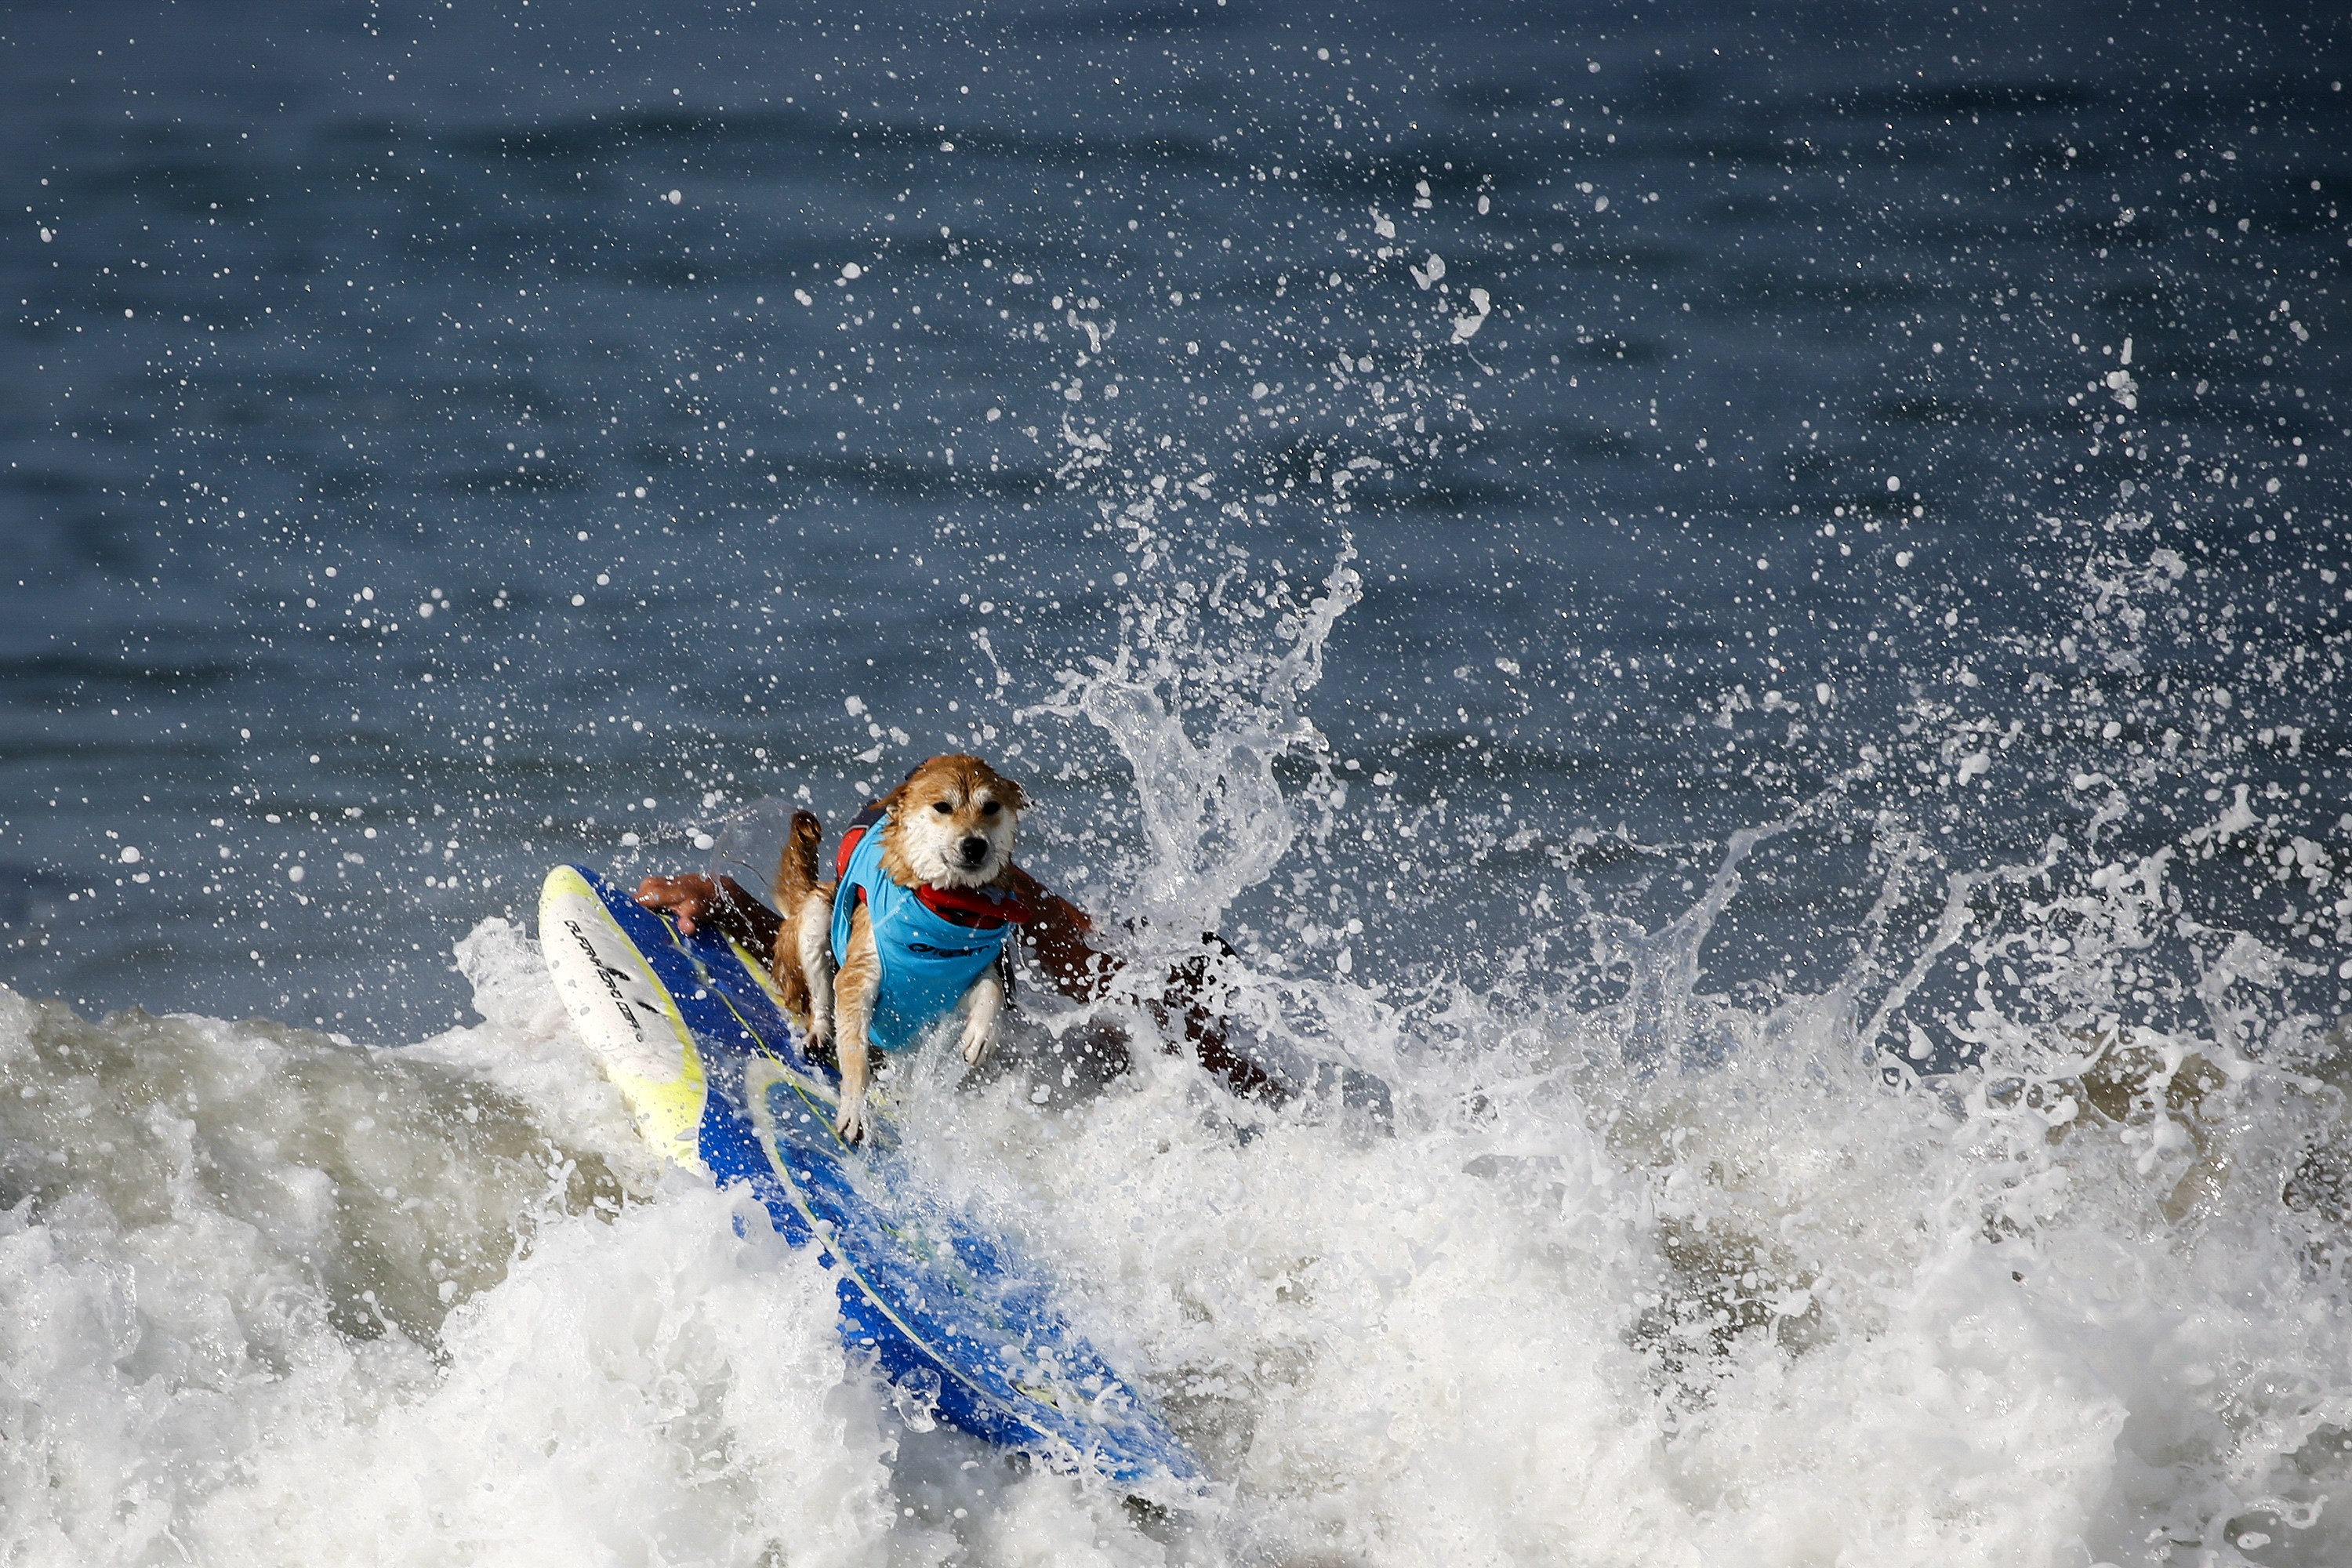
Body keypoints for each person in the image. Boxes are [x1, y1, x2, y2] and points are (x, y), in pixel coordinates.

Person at [633, 829, 1289, 1105]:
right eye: (1127, 957)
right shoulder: (1021, 909)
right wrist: (731, 905)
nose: (1123, 972)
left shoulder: (1176, 1076)